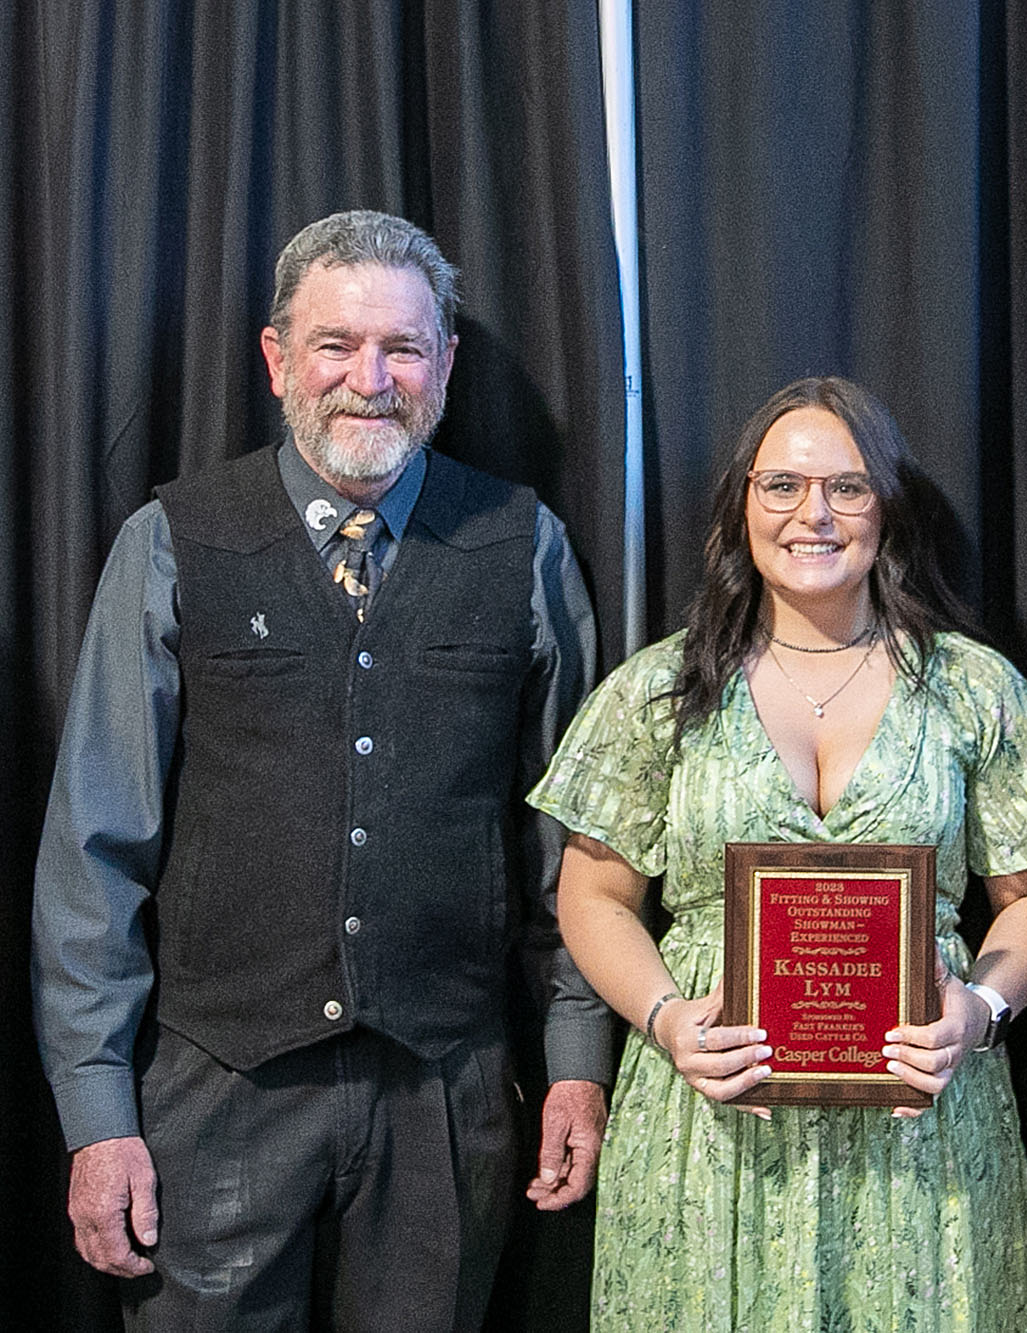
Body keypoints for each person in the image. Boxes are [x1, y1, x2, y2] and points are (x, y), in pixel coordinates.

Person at [31, 210, 616, 1330]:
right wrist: (97, 1109)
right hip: (213, 1097)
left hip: (446, 1093)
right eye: (337, 345)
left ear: (443, 364)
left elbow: (574, 848)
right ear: (277, 358)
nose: (370, 379)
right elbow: (94, 853)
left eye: (402, 348)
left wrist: (577, 1054)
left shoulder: (522, 544)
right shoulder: (171, 542)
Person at [530, 375, 1027, 1331]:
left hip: (926, 1137)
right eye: (781, 485)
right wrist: (666, 1020)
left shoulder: (973, 688)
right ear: (741, 504)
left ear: (888, 509)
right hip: (711, 1130)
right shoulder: (659, 689)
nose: (812, 514)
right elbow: (591, 894)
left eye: (847, 487)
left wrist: (982, 1008)